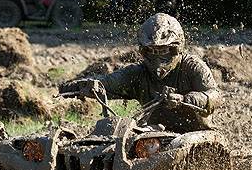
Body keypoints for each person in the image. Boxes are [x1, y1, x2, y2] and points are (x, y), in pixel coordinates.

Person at [60, 13, 220, 133]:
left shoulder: (192, 66)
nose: (157, 56)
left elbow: (215, 96)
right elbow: (107, 83)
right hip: (157, 135)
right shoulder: (138, 72)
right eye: (151, 50)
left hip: (198, 134)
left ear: (176, 48)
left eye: (163, 50)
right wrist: (79, 86)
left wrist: (187, 99)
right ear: (143, 51)